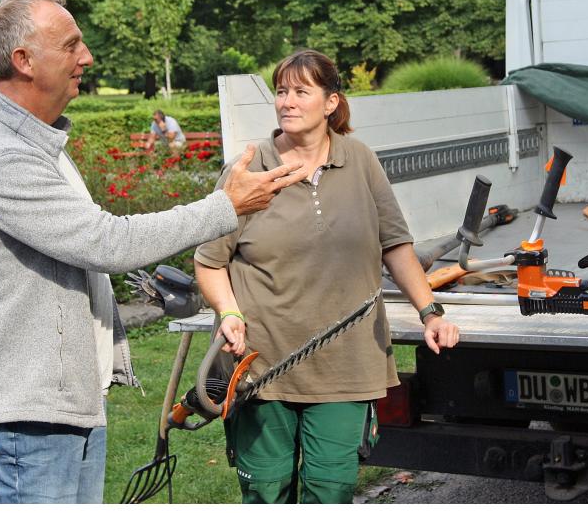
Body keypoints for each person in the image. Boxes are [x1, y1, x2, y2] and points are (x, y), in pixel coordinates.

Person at [0, 0, 307, 504]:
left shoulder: (35, 143)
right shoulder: (3, 157)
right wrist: (225, 207)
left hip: (59, 410)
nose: (86, 58)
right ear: (24, 61)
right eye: (71, 46)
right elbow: (107, 241)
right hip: (29, 421)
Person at [194, 49, 461, 504]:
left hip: (347, 362)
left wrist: (430, 312)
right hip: (261, 363)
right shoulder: (249, 168)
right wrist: (229, 311)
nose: (287, 102)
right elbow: (210, 259)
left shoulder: (359, 160)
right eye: (281, 91)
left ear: (331, 102)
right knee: (266, 490)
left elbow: (394, 245)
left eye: (301, 91)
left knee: (330, 489)